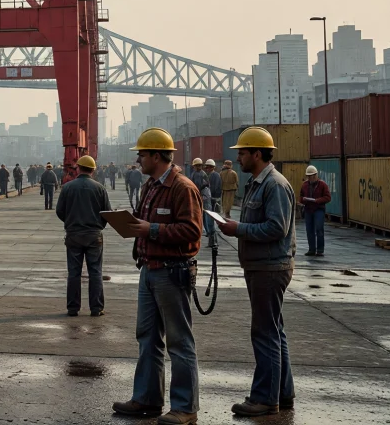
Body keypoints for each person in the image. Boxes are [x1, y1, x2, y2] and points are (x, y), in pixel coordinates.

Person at [112, 128, 203, 425]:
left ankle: (185, 407)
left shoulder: (182, 188)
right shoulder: (151, 185)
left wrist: (150, 230)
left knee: (179, 341)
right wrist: (128, 225)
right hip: (149, 270)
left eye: (141, 154)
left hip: (171, 272)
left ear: (155, 155)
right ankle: (147, 399)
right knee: (147, 338)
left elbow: (192, 232)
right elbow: (143, 221)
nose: (138, 159)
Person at [219, 127, 296, 417]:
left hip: (269, 267)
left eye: (242, 152)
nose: (237, 157)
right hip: (261, 265)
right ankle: (283, 394)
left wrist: (238, 229)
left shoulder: (274, 185)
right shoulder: (256, 183)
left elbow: (278, 227)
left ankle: (265, 399)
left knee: (264, 333)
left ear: (257, 154)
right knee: (275, 331)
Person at [57, 155, 111, 317]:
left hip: (74, 235)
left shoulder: (67, 188)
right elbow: (107, 213)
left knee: (74, 273)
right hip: (94, 235)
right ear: (93, 170)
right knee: (95, 272)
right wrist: (98, 226)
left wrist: (71, 222)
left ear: (78, 168)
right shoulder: (100, 188)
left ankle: (73, 308)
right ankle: (96, 308)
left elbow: (60, 211)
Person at [298, 165, 331, 258]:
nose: (310, 178)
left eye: (311, 175)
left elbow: (328, 197)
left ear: (316, 175)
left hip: (319, 210)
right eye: (308, 176)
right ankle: (311, 250)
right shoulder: (304, 185)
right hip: (308, 209)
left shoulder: (323, 185)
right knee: (309, 231)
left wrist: (318, 200)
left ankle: (320, 250)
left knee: (319, 230)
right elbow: (300, 196)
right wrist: (303, 199)